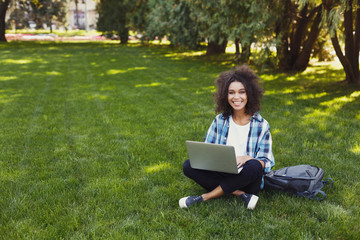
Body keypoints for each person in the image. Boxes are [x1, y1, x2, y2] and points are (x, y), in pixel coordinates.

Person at [179, 65, 275, 210]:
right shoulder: (220, 120)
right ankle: (241, 194)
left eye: (241, 92)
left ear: (249, 94)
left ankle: (205, 197)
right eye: (231, 93)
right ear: (225, 96)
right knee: (188, 165)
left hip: (248, 179)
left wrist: (246, 158)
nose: (236, 97)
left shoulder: (261, 124)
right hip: (223, 173)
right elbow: (207, 151)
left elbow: (266, 163)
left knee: (254, 166)